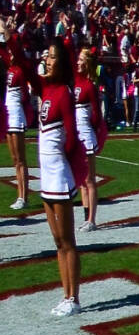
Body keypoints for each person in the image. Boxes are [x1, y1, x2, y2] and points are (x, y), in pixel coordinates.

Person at [31, 39, 81, 315]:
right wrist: (9, 38)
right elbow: (27, 70)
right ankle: (65, 295)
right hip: (47, 178)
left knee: (67, 240)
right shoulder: (47, 89)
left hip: (59, 175)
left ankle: (73, 298)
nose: (47, 61)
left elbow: (72, 138)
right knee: (57, 242)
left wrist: (64, 161)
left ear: (60, 64)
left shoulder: (63, 92)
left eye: (51, 57)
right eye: (46, 56)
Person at [72, 45, 105, 230]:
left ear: (87, 63)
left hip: (86, 135)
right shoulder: (77, 82)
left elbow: (96, 116)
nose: (78, 62)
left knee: (90, 180)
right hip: (78, 135)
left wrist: (92, 131)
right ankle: (86, 217)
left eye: (81, 60)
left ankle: (92, 220)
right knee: (82, 180)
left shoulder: (90, 86)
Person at [2, 16, 29, 211]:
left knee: (21, 159)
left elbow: (8, 39)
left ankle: (24, 196)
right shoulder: (9, 66)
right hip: (8, 111)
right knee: (14, 159)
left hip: (17, 112)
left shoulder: (21, 66)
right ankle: (20, 195)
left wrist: (7, 30)